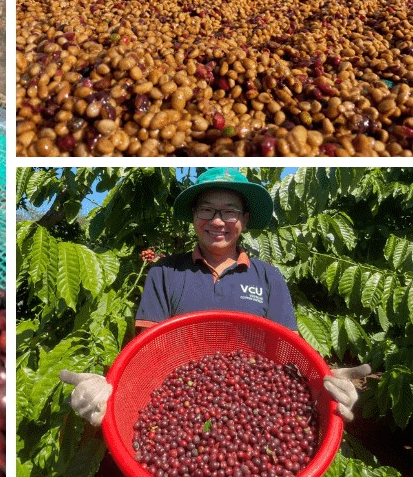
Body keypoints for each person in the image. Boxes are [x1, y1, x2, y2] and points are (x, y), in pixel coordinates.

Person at [60, 168, 371, 431]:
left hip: (257, 409)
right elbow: (148, 356)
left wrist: (323, 382)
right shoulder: (165, 271)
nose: (218, 221)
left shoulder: (269, 277)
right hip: (179, 406)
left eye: (230, 211)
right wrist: (111, 389)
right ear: (195, 217)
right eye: (206, 209)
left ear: (245, 220)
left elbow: (287, 357)